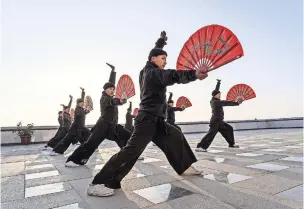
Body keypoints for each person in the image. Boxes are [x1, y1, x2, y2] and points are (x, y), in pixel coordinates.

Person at [86, 31, 208, 197]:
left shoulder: (147, 70)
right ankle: (99, 182)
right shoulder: (153, 73)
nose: (165, 62)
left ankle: (184, 167)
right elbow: (172, 75)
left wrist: (161, 42)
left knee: (175, 135)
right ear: (154, 60)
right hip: (146, 120)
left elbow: (154, 52)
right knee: (131, 151)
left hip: (156, 119)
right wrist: (193, 74)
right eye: (163, 58)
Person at [64, 63, 143, 167]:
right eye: (110, 89)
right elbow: (113, 101)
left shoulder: (110, 94)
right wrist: (121, 101)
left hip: (113, 127)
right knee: (91, 144)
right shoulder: (104, 98)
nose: (112, 90)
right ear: (105, 90)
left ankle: (130, 155)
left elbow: (111, 83)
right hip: (102, 126)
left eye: (113, 89)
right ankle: (73, 160)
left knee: (126, 136)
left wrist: (113, 71)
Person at [196, 79, 242, 152]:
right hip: (215, 122)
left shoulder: (215, 99)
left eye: (220, 94)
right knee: (211, 134)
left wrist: (218, 83)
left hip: (220, 122)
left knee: (229, 129)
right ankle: (200, 147)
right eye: (219, 94)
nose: (220, 95)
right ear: (215, 95)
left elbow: (216, 90)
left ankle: (231, 144)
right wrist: (236, 103)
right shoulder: (215, 102)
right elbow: (226, 103)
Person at [49, 88, 91, 155]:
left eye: (82, 102)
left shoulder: (82, 109)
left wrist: (83, 92)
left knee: (87, 136)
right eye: (80, 103)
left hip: (80, 128)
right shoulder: (77, 109)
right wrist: (86, 110)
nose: (82, 103)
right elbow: (80, 114)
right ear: (78, 104)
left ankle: (89, 148)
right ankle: (56, 151)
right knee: (67, 140)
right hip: (74, 128)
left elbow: (83, 109)